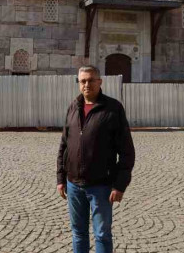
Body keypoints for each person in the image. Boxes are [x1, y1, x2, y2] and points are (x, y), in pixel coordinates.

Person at [56, 65, 135, 253]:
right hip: (74, 185)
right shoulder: (73, 107)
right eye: (82, 81)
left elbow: (126, 151)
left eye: (91, 80)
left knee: (102, 234)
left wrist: (119, 185)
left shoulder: (113, 109)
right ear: (78, 83)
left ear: (100, 82)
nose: (87, 84)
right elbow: (64, 145)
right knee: (78, 233)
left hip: (101, 185)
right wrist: (61, 179)